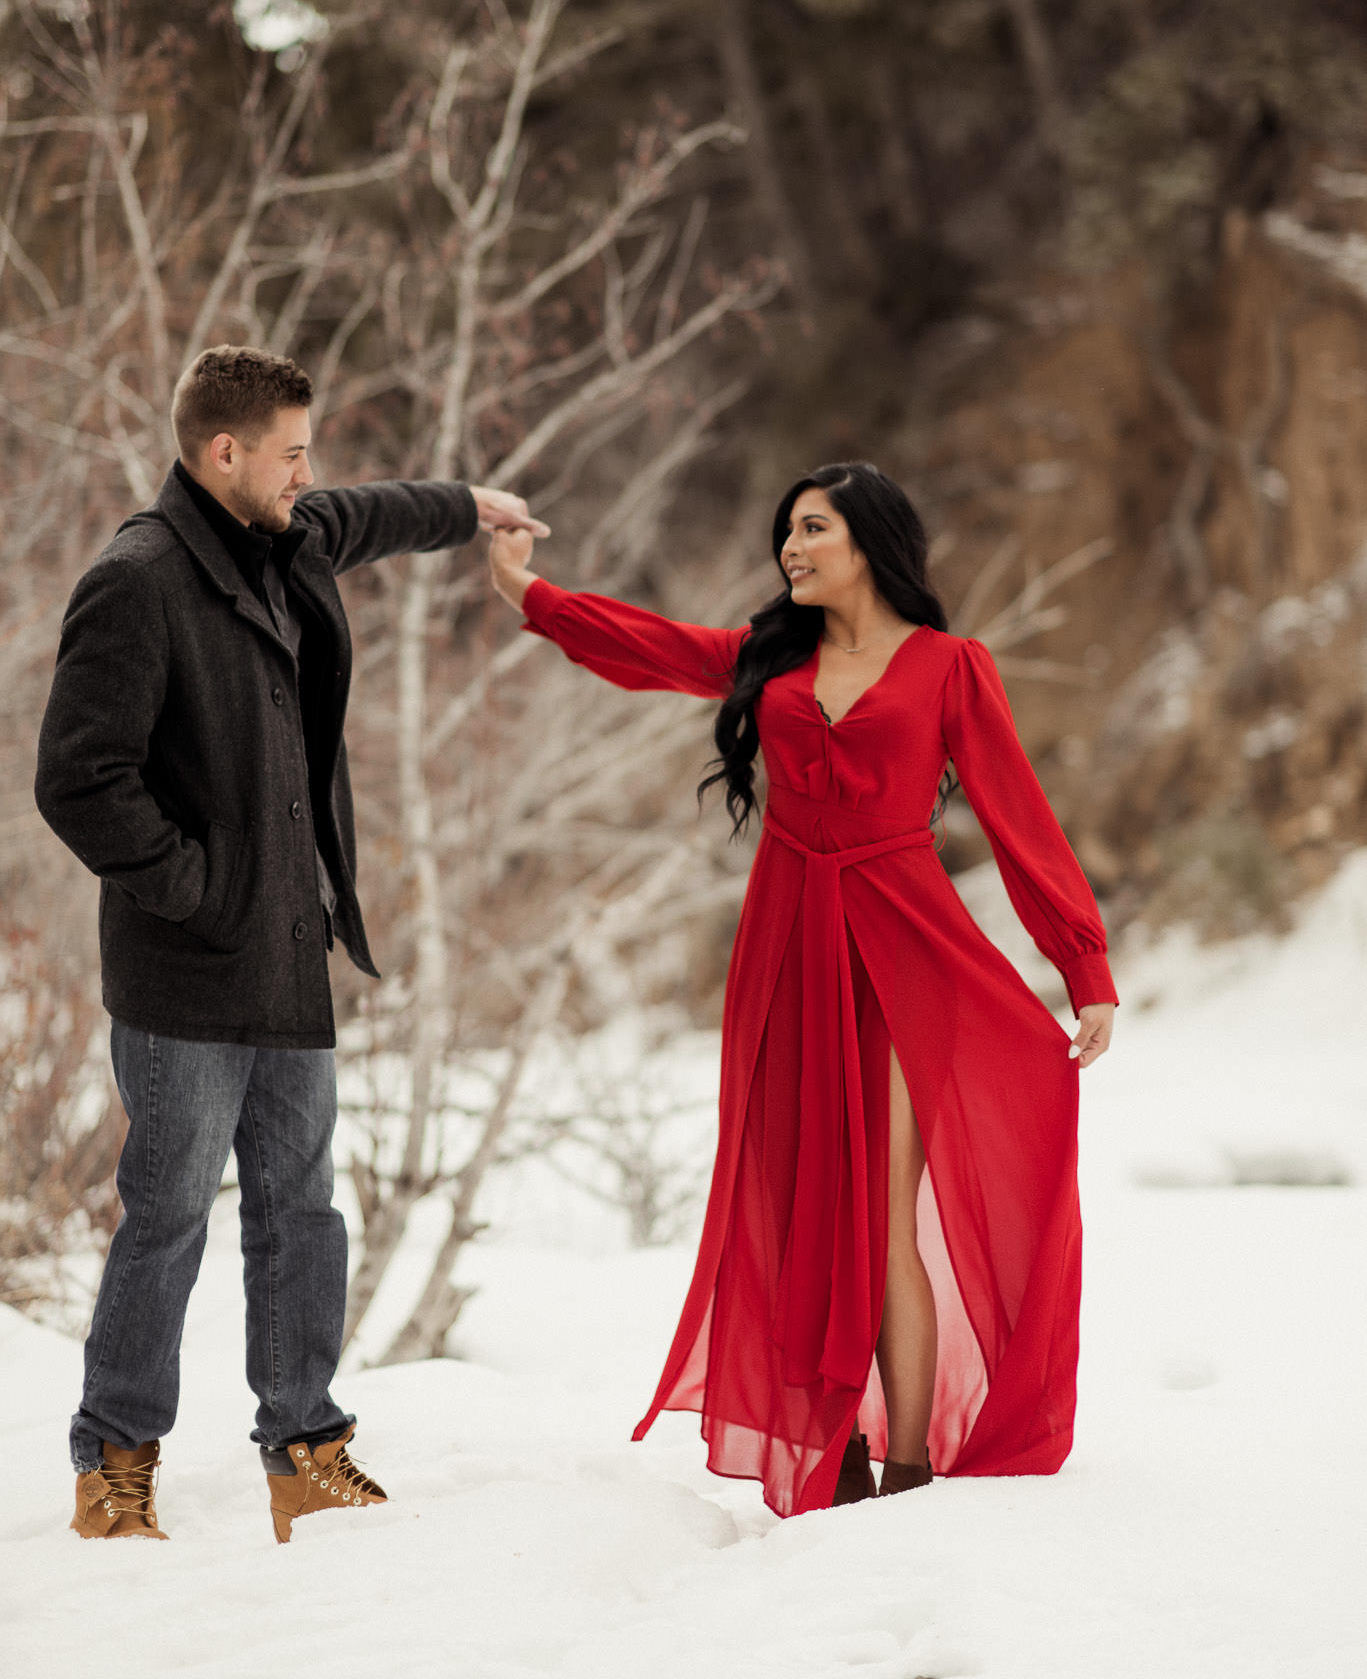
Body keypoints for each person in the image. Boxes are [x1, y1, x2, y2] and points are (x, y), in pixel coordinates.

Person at [489, 461, 1115, 1518]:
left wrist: (1080, 963)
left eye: (812, 527)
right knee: (804, 1208)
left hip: (904, 950)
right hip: (787, 950)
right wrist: (528, 594)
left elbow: (1018, 814)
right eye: (786, 529)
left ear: (868, 541)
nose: (790, 546)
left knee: (881, 1211)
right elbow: (647, 650)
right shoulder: (768, 660)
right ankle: (839, 1446)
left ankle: (905, 1467)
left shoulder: (949, 666)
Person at [35, 344, 547, 1544]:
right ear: (224, 453)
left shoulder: (287, 537)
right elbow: (77, 779)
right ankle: (114, 1465)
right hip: (185, 967)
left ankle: (303, 1446)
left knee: (302, 1209)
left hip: (287, 958)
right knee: (167, 1215)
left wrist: (467, 507)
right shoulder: (140, 577)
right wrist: (201, 891)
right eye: (291, 454)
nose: (307, 475)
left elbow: (367, 514)